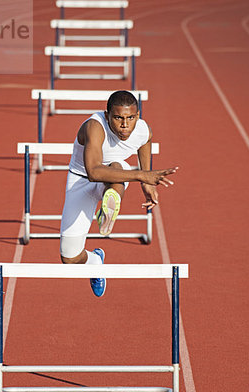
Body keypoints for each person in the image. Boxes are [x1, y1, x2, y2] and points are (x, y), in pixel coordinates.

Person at [59, 90, 178, 297]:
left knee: (117, 167)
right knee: (68, 257)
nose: (125, 125)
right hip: (81, 179)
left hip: (114, 175)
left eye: (130, 118)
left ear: (137, 116)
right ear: (107, 116)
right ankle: (96, 259)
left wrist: (147, 186)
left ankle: (110, 205)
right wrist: (142, 175)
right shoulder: (94, 127)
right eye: (118, 118)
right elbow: (94, 171)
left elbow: (145, 141)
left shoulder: (142, 129)